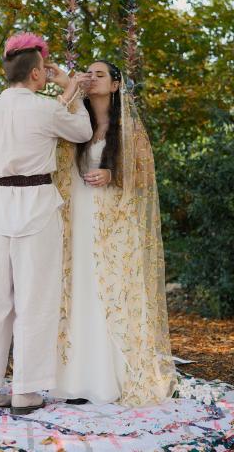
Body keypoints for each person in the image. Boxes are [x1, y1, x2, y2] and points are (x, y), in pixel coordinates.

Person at [0, 32, 93, 415]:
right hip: (37, 207)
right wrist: (69, 88)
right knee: (36, 301)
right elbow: (83, 132)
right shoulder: (45, 109)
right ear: (37, 73)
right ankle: (26, 391)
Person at [53, 60, 178, 407]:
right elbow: (52, 146)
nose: (92, 78)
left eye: (101, 74)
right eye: (89, 73)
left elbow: (144, 177)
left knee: (107, 292)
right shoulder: (77, 123)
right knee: (78, 290)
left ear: (115, 85)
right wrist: (65, 86)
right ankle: (76, 380)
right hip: (77, 220)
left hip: (113, 225)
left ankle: (111, 379)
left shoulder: (128, 129)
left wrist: (113, 175)